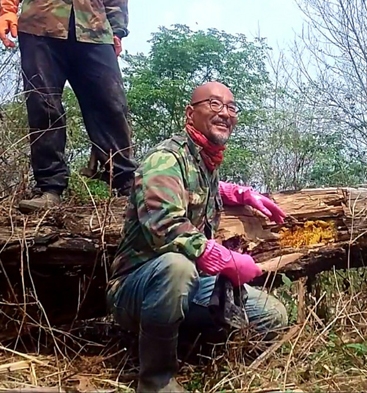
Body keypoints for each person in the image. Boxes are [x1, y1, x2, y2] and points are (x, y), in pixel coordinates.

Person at [106, 81, 289, 393]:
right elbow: (163, 222)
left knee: (271, 315)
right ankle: (156, 379)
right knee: (178, 266)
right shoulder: (166, 157)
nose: (225, 113)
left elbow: (199, 189)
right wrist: (224, 259)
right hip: (136, 288)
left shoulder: (203, 162)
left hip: (187, 287)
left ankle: (178, 342)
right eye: (214, 104)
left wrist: (240, 193)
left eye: (231, 107)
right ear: (190, 113)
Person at [0, 0, 136, 213]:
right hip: (40, 24)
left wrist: (117, 29)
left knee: (111, 106)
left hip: (95, 28)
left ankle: (127, 185)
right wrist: (7, 10)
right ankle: (49, 188)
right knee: (43, 105)